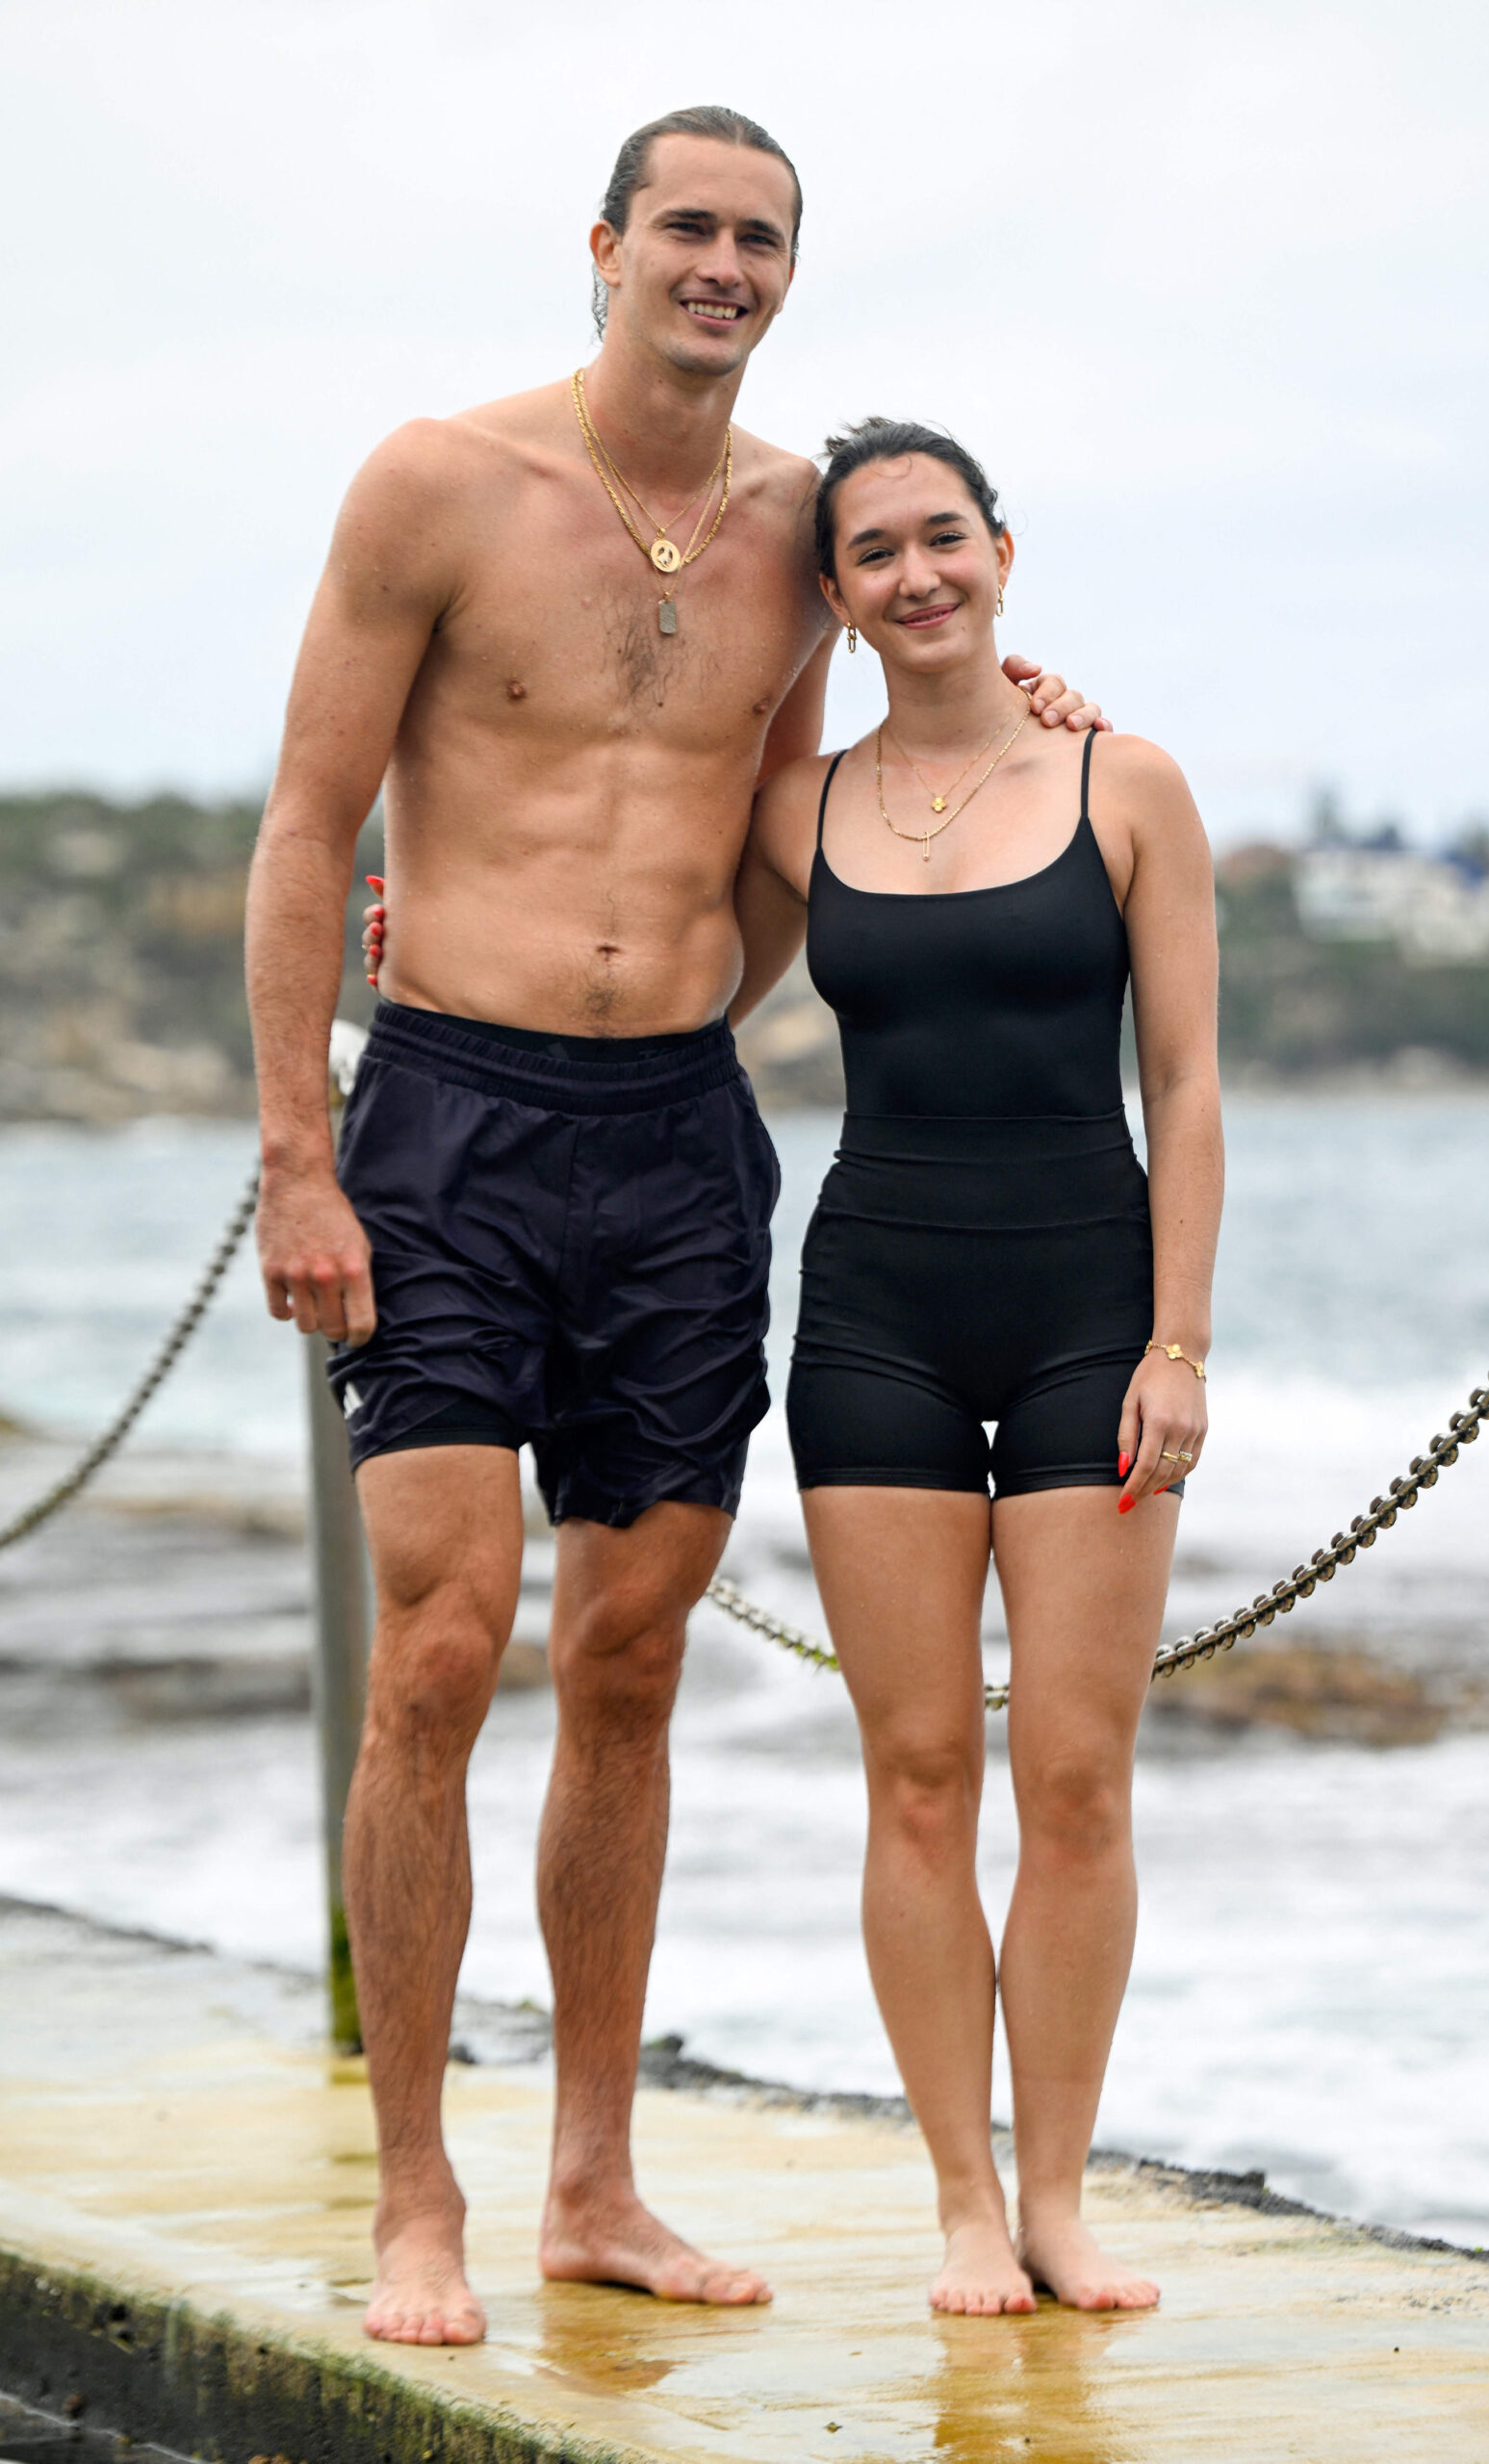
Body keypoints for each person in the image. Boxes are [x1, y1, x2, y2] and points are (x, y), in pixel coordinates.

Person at [246, 104, 1102, 2348]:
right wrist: (295, 1151)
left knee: (624, 1658)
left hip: (679, 1138)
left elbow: (817, 796)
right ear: (607, 244)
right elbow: (306, 817)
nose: (720, 266)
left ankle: (591, 2177)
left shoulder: (798, 529)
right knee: (438, 1650)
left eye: (761, 240)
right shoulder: (438, 481)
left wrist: (1029, 728)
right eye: (688, 230)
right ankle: (419, 2191)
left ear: (786, 275)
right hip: (443, 1110)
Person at [729, 420, 1223, 2315]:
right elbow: (669, 974)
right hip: (872, 1314)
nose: (917, 573)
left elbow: (1180, 1081)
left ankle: (1060, 2192)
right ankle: (956, 2192)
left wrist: (1178, 1339)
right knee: (920, 1773)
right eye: (874, 552)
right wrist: (425, 945)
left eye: (944, 536)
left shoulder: (1128, 783)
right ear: (836, 599)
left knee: (1075, 1773)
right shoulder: (798, 803)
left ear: (1000, 553)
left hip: (1091, 1303)